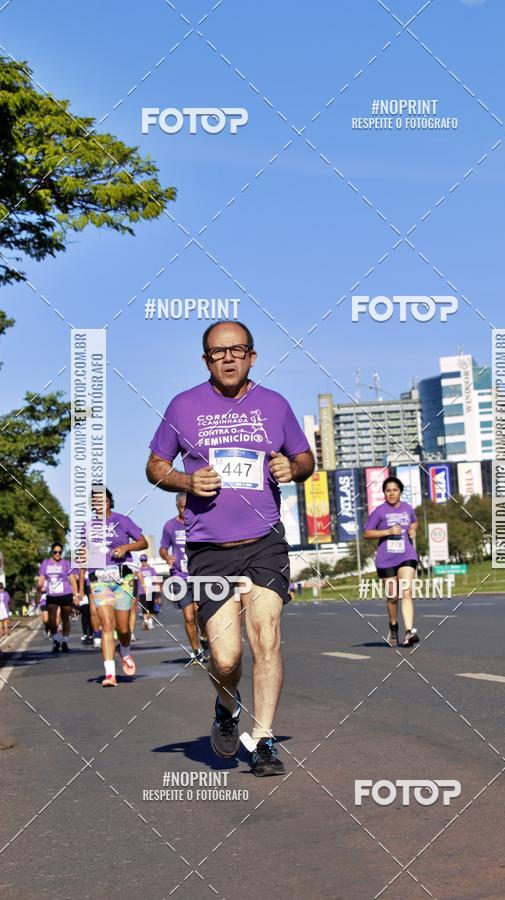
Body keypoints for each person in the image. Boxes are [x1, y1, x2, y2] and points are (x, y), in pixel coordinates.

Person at [146, 321, 314, 776]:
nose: (228, 358)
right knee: (225, 657)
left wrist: (290, 467)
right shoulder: (183, 406)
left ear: (252, 357)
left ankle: (263, 741)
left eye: (237, 350)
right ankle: (226, 703)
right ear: (206, 360)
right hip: (209, 550)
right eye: (218, 352)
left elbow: (305, 458)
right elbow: (155, 466)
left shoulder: (275, 404)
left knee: (267, 638)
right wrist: (185, 479)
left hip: (264, 543)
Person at [79, 487, 148, 686]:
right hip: (100, 579)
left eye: (104, 500)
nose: (100, 504)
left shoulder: (122, 520)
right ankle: (110, 674)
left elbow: (142, 542)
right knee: (107, 626)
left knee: (124, 628)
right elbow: (84, 552)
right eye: (96, 501)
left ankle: (124, 650)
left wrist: (126, 547)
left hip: (123, 578)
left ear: (110, 502)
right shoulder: (88, 527)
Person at [364, 476, 420, 648]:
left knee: (406, 591)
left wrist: (413, 530)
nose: (391, 493)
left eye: (395, 490)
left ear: (400, 491)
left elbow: (415, 522)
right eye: (388, 490)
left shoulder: (408, 508)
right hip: (386, 559)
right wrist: (387, 531)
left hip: (406, 555)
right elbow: (367, 533)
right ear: (384, 493)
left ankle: (409, 632)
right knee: (392, 597)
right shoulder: (379, 511)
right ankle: (393, 625)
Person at [160, 493, 210, 664]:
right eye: (182, 507)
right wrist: (166, 557)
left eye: (187, 506)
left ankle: (204, 636)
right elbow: (163, 548)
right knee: (189, 616)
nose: (185, 510)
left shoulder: (200, 521)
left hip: (198, 574)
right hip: (180, 576)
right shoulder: (170, 526)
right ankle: (196, 651)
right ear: (177, 506)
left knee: (200, 613)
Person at [37, 543, 78, 653]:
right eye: (55, 552)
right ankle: (56, 639)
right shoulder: (45, 563)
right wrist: (38, 591)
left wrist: (76, 593)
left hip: (66, 594)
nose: (57, 554)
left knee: (65, 619)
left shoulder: (66, 563)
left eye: (60, 552)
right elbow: (41, 579)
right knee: (52, 619)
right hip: (51, 595)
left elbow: (72, 579)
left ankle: (64, 641)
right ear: (52, 552)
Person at [135, 555, 159, 631]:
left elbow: (155, 580)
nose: (143, 562)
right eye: (142, 561)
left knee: (151, 607)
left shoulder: (152, 569)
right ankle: (145, 621)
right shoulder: (138, 570)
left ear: (147, 560)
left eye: (144, 560)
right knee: (144, 607)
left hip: (151, 590)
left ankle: (150, 622)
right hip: (142, 591)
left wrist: (158, 593)